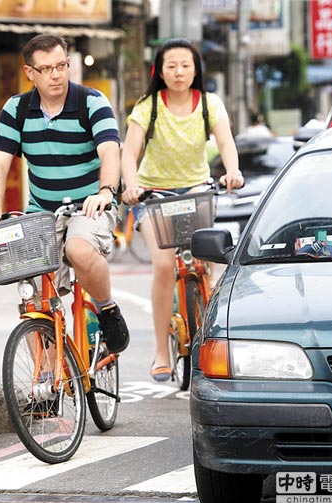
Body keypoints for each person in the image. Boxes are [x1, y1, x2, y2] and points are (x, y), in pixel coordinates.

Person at [0, 33, 129, 354]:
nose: (56, 74)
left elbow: (110, 152)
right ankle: (46, 386)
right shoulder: (17, 109)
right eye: (46, 68)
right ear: (30, 73)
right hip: (42, 211)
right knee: (33, 295)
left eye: (61, 65)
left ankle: (107, 309)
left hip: (90, 205)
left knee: (78, 248)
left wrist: (106, 190)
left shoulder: (91, 102)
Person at [120, 38, 243, 381]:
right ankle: (161, 350)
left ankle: (212, 336)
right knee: (162, 265)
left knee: (206, 263)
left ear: (196, 70)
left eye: (186, 65)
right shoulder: (148, 107)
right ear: (159, 71)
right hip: (154, 192)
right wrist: (131, 186)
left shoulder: (209, 104)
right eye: (171, 66)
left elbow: (226, 143)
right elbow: (129, 153)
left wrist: (232, 171)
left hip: (196, 190)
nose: (179, 72)